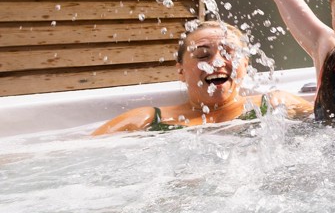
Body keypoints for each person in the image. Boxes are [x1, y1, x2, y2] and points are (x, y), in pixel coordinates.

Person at [92, 20, 313, 134]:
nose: (217, 62)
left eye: (229, 53)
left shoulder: (274, 104)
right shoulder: (148, 120)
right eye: (202, 55)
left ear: (245, 65)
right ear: (180, 70)